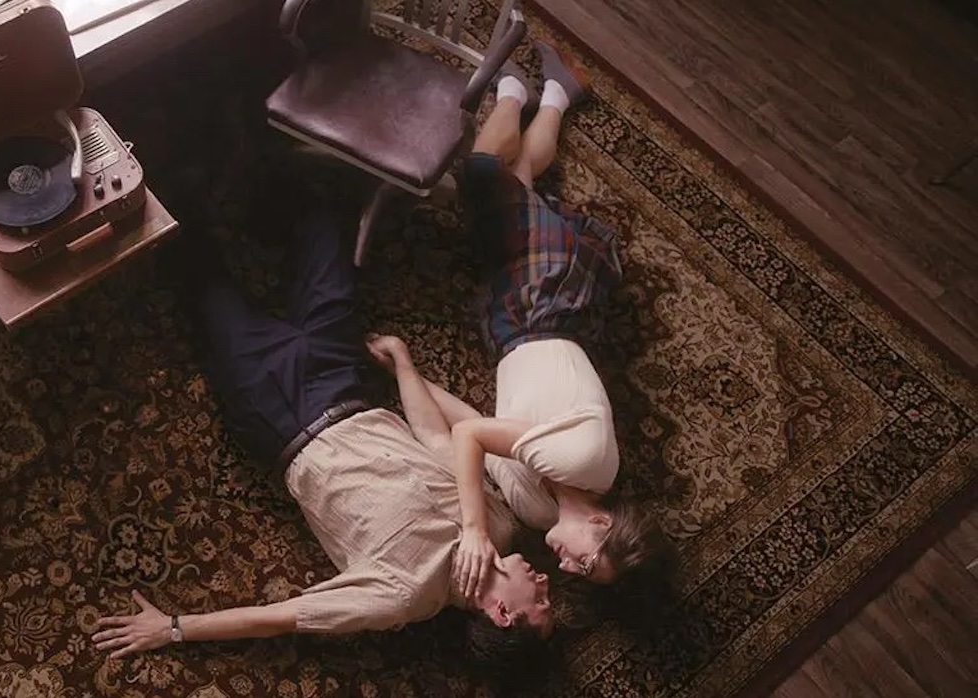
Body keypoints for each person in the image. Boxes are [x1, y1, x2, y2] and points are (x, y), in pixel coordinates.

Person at [91, 204, 554, 674]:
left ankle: (168, 194)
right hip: (344, 377)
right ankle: (235, 176)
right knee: (325, 221)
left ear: (501, 614)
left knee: (192, 264)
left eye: (542, 604)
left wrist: (172, 627)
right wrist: (404, 364)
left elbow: (281, 618)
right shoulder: (501, 526)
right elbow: (435, 438)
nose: (545, 584)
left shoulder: (402, 596)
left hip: (281, 411)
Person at [419, 41, 675, 601]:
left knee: (519, 180)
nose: (565, 569)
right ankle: (515, 91)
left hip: (511, 327)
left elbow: (473, 427)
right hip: (550, 301)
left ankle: (557, 92)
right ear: (602, 525)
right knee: (484, 172)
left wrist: (404, 373)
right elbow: (472, 436)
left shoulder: (538, 513)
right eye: (586, 563)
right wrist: (473, 529)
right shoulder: (585, 463)